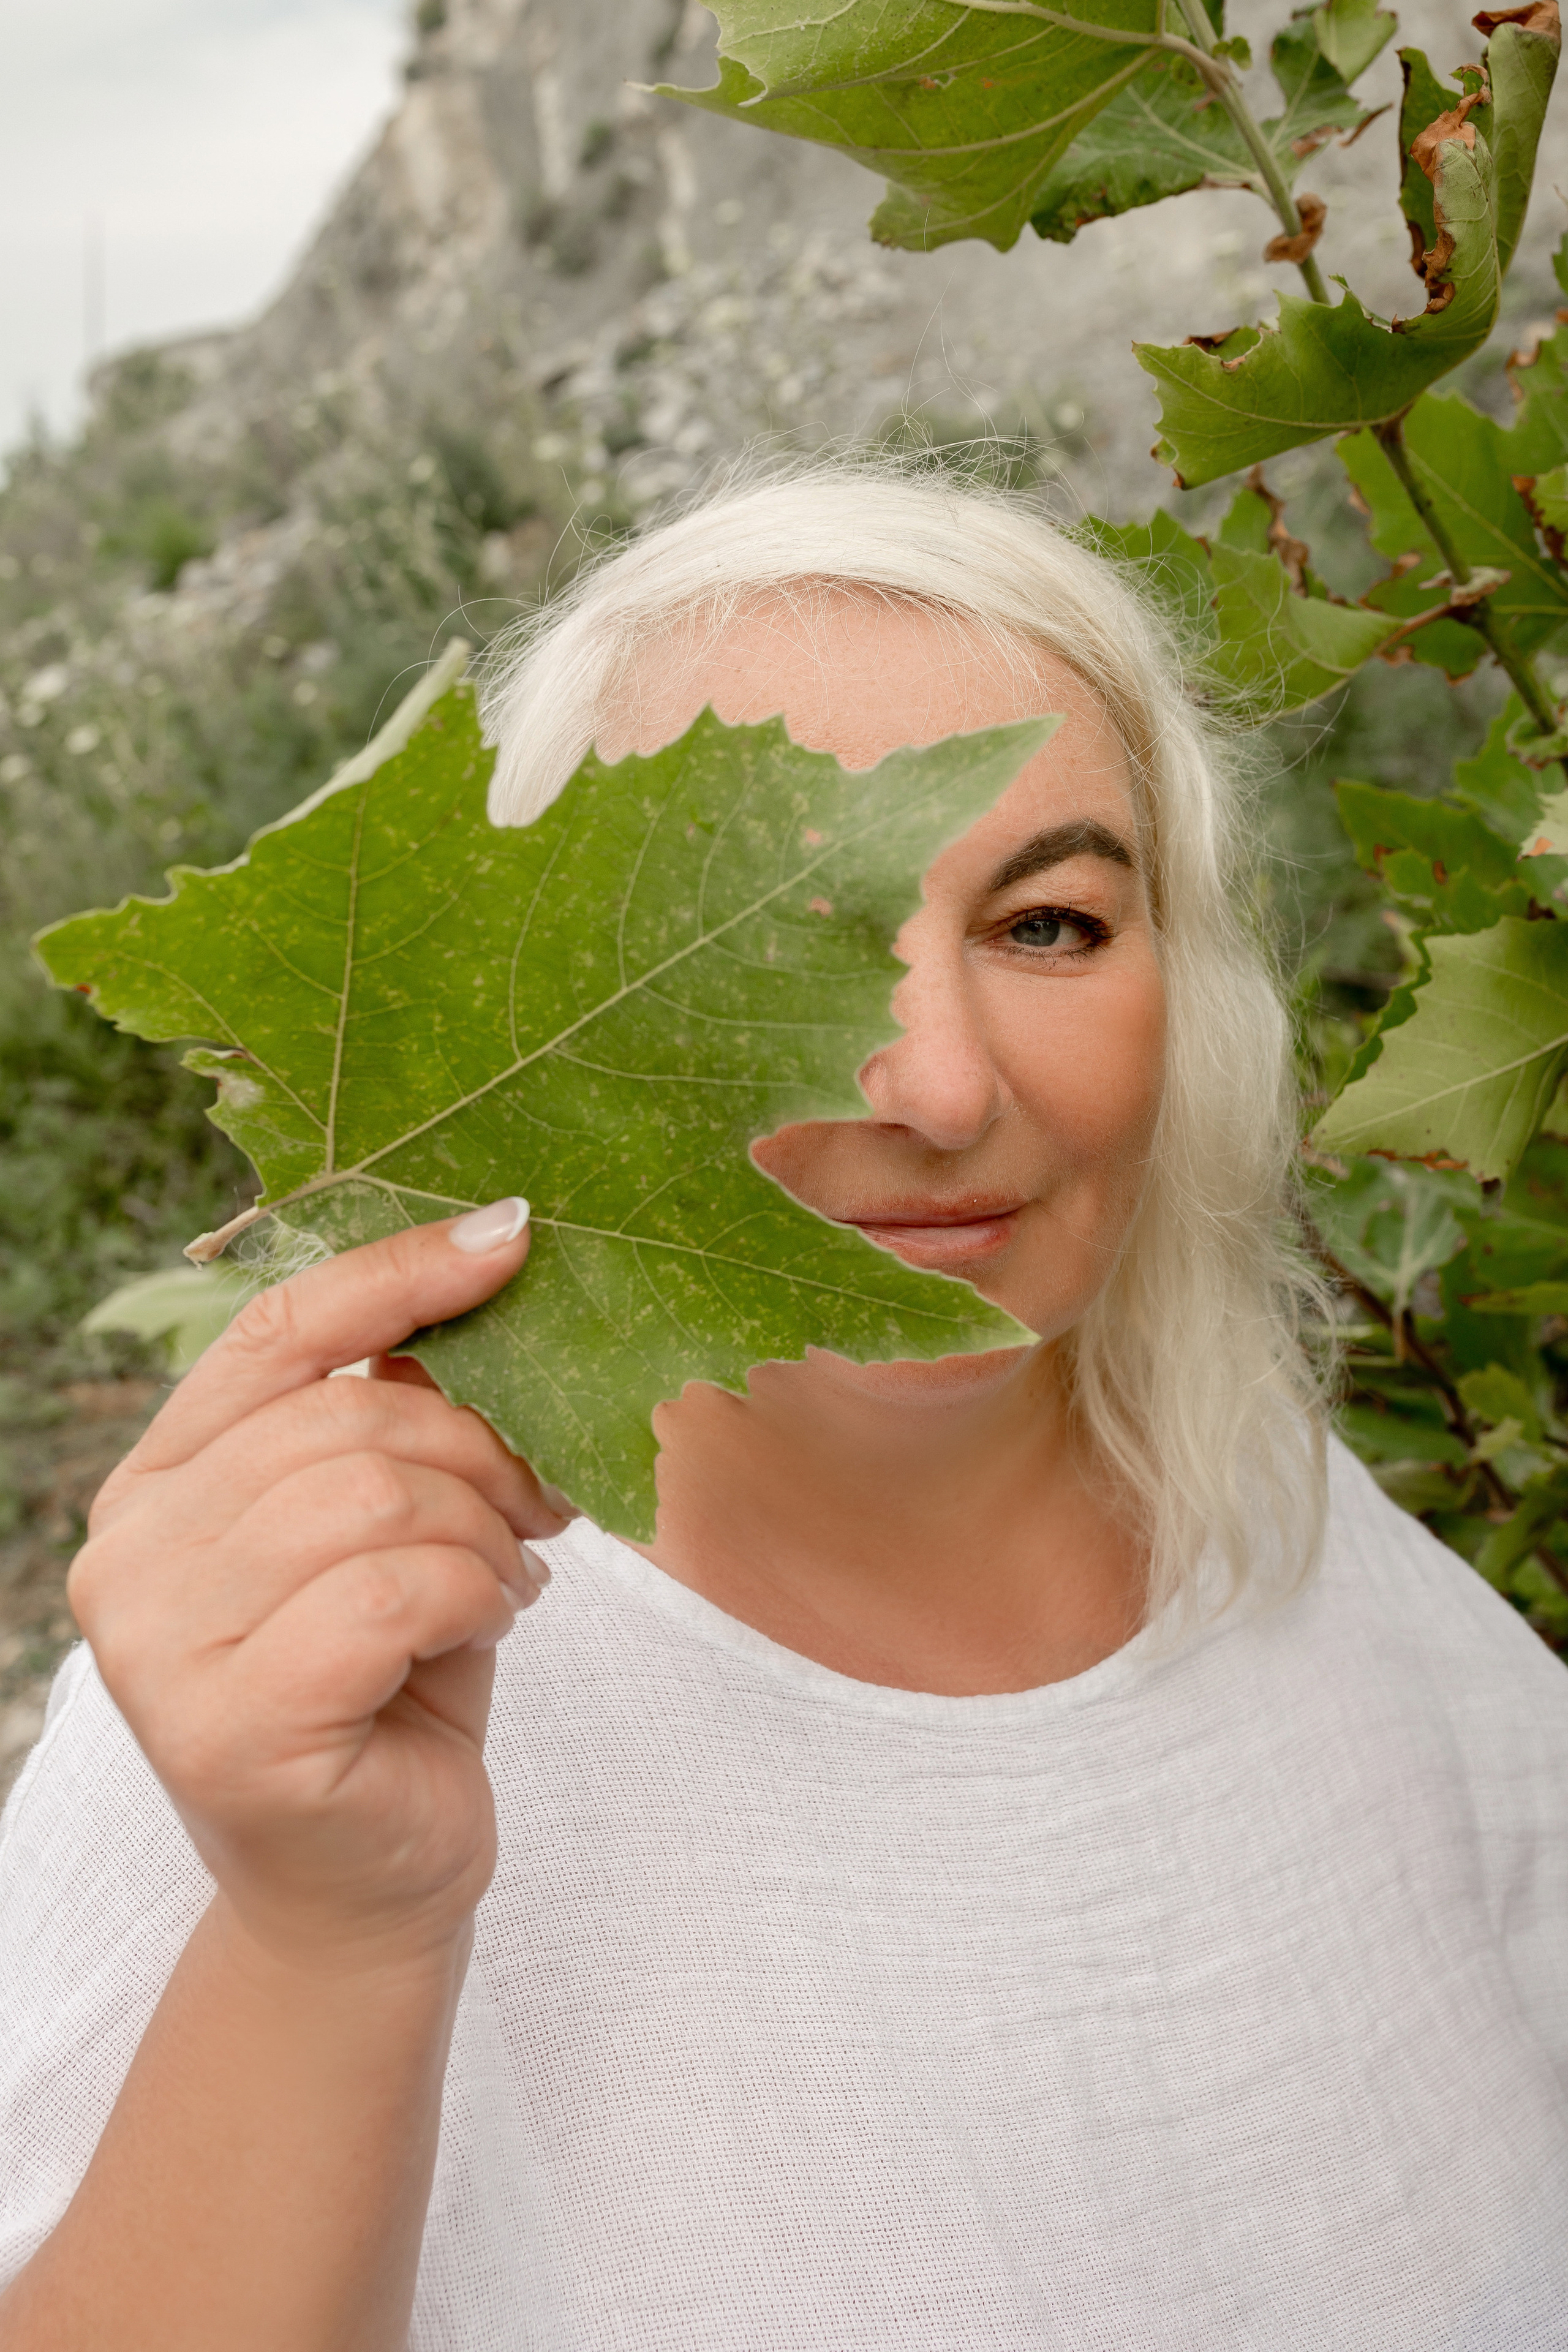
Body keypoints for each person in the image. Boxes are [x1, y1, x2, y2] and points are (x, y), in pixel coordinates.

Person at [0, 466, 1564, 2351]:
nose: (938, 1085)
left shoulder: (1289, 1532)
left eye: (1049, 922)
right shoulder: (303, 1678)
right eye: (789, 948)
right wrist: (327, 1934)